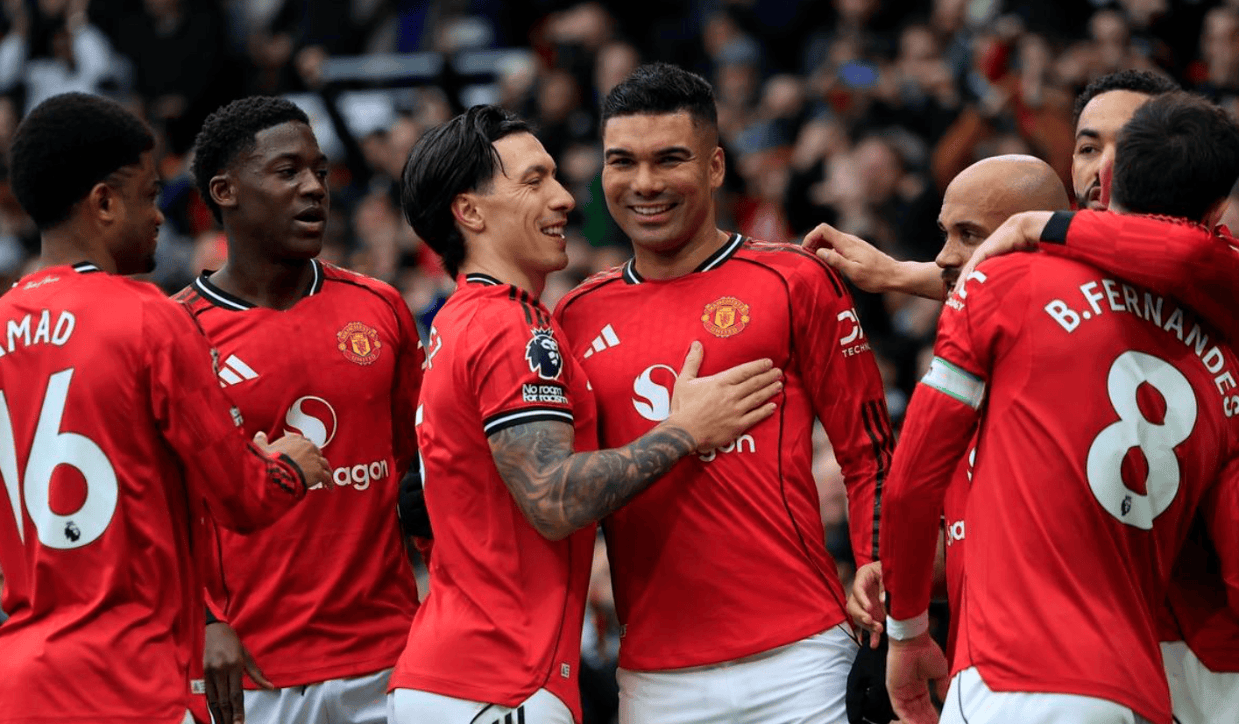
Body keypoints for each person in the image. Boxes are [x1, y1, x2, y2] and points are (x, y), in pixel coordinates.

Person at [391, 103, 782, 724]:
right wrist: (684, 431)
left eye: (554, 175)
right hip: (499, 681)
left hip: (460, 673)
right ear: (470, 212)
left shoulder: (459, 320)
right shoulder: (510, 327)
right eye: (534, 181)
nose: (565, 198)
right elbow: (553, 499)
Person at [880, 91, 1239, 724]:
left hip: (1017, 672)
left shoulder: (1004, 285)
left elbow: (910, 483)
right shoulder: (1225, 355)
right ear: (1217, 208)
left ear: (1106, 182)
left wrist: (905, 629)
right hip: (1142, 687)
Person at [554, 62, 894, 724]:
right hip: (653, 678)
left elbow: (869, 455)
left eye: (669, 159)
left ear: (714, 167)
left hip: (803, 660)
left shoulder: (794, 280)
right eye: (622, 162)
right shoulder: (574, 316)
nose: (644, 183)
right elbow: (568, 491)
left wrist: (879, 573)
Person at [0, 92, 329, 723]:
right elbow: (242, 497)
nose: (159, 216)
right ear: (104, 202)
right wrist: (290, 464)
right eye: (149, 196)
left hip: (20, 685)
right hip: (127, 683)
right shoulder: (149, 317)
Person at [173, 96, 426, 724]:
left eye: (319, 171)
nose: (314, 187)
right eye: (287, 172)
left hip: (390, 659)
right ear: (225, 191)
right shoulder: (175, 331)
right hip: (249, 672)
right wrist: (202, 620)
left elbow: (417, 472)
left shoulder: (380, 307)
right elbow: (154, 502)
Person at [803, 155, 1069, 660]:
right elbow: (977, 551)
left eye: (968, 235)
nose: (944, 256)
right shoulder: (1000, 363)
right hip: (982, 657)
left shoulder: (1062, 370)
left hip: (1042, 663)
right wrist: (902, 579)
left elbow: (909, 489)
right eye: (946, 234)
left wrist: (906, 629)